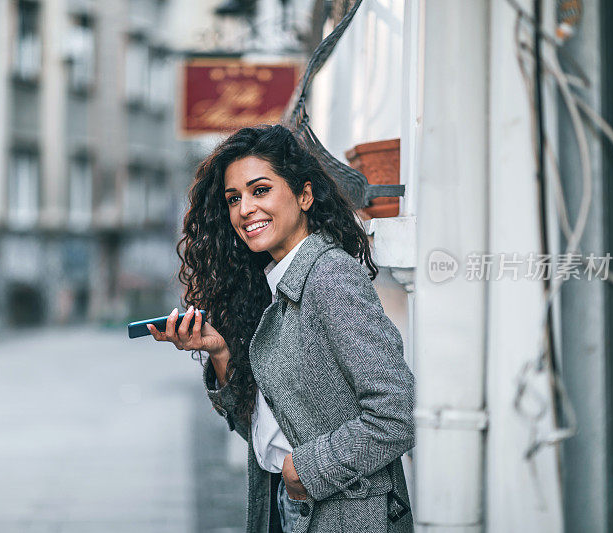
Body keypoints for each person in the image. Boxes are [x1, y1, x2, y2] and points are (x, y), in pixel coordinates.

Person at [147, 124, 415, 533]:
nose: (244, 209)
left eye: (260, 190)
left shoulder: (330, 278)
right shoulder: (272, 284)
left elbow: (399, 413)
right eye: (233, 198)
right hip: (281, 503)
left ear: (304, 196)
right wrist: (220, 353)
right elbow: (259, 430)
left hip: (344, 514)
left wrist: (305, 469)